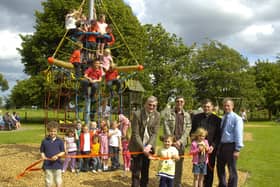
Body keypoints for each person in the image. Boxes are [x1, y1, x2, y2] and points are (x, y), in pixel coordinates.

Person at [129, 96, 161, 187]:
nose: (151, 107)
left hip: (149, 146)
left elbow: (155, 133)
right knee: (136, 172)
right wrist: (143, 148)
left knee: (145, 171)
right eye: (149, 105)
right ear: (145, 104)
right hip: (137, 146)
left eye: (154, 105)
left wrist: (149, 146)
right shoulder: (137, 114)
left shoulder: (157, 115)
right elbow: (135, 133)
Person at [190, 99, 221, 187]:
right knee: (198, 172)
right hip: (198, 150)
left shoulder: (217, 120)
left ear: (212, 107)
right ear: (202, 107)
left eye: (208, 107)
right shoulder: (196, 117)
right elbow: (192, 132)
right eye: (204, 106)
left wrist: (213, 146)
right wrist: (195, 144)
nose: (206, 108)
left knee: (209, 170)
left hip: (210, 149)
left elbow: (218, 135)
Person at [163, 96, 192, 187]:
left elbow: (188, 128)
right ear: (175, 102)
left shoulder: (187, 115)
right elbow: (166, 125)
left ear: (184, 103)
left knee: (179, 166)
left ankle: (177, 183)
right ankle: (168, 183)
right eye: (177, 101)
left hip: (181, 144)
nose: (179, 103)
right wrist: (172, 140)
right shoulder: (169, 113)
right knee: (168, 163)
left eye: (181, 101)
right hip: (170, 144)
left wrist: (180, 141)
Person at [217, 98, 244, 187]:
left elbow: (238, 134)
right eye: (224, 105)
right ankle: (223, 185)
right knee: (220, 168)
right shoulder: (223, 117)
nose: (226, 107)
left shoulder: (237, 119)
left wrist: (237, 149)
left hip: (231, 146)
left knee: (232, 170)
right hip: (222, 146)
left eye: (228, 105)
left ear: (232, 106)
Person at [40, 121, 65, 187]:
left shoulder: (60, 141)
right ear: (48, 131)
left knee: (58, 180)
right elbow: (42, 151)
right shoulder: (44, 141)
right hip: (47, 164)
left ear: (57, 131)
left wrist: (57, 155)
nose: (53, 133)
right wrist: (43, 156)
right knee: (48, 180)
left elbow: (63, 152)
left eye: (54, 131)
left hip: (57, 164)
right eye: (51, 131)